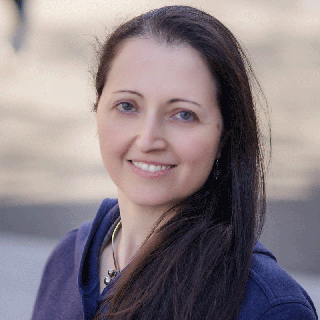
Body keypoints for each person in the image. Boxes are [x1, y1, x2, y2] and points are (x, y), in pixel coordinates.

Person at [32, 5, 318, 320]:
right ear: (97, 109)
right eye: (127, 106)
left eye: (183, 114)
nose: (148, 139)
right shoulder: (67, 260)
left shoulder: (267, 306)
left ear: (224, 134)